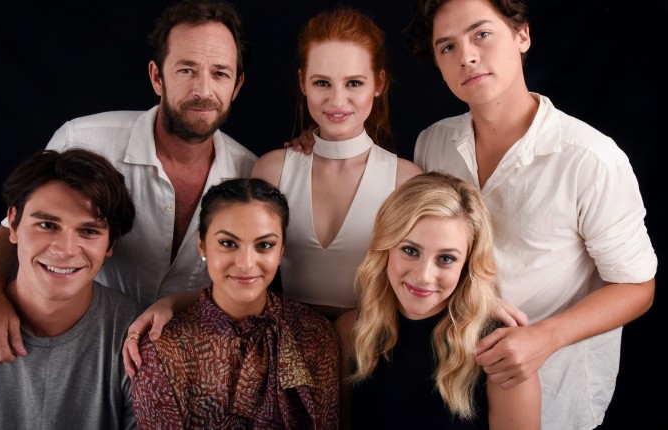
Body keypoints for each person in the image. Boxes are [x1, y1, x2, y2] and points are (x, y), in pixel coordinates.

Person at [0, 0, 257, 366]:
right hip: (86, 349)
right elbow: (19, 227)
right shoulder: (83, 141)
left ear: (237, 85)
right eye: (187, 70)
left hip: (191, 362)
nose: (203, 89)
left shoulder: (252, 175)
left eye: (220, 73)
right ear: (157, 77)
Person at [405, 0, 657, 428]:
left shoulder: (591, 159)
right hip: (452, 384)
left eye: (482, 34)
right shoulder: (433, 143)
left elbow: (637, 286)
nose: (466, 56)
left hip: (554, 386)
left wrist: (545, 337)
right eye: (447, 46)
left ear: (522, 35)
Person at [334, 171, 540, 430]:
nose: (424, 276)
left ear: (467, 264)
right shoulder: (351, 331)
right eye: (410, 250)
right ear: (385, 248)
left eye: (446, 259)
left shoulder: (504, 351)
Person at [252, 7, 422, 319]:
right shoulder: (271, 171)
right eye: (322, 83)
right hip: (286, 340)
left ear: (379, 83)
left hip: (372, 341)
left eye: (354, 83)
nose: (337, 100)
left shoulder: (406, 181)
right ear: (303, 82)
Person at [0, 148, 142, 429]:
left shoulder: (138, 338)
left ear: (110, 244)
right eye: (46, 224)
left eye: (89, 231)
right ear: (13, 224)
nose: (65, 250)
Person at [131, 178, 339, 429]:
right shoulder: (162, 349)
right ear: (202, 245)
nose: (246, 264)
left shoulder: (314, 333)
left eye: (265, 245)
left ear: (281, 251)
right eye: (228, 243)